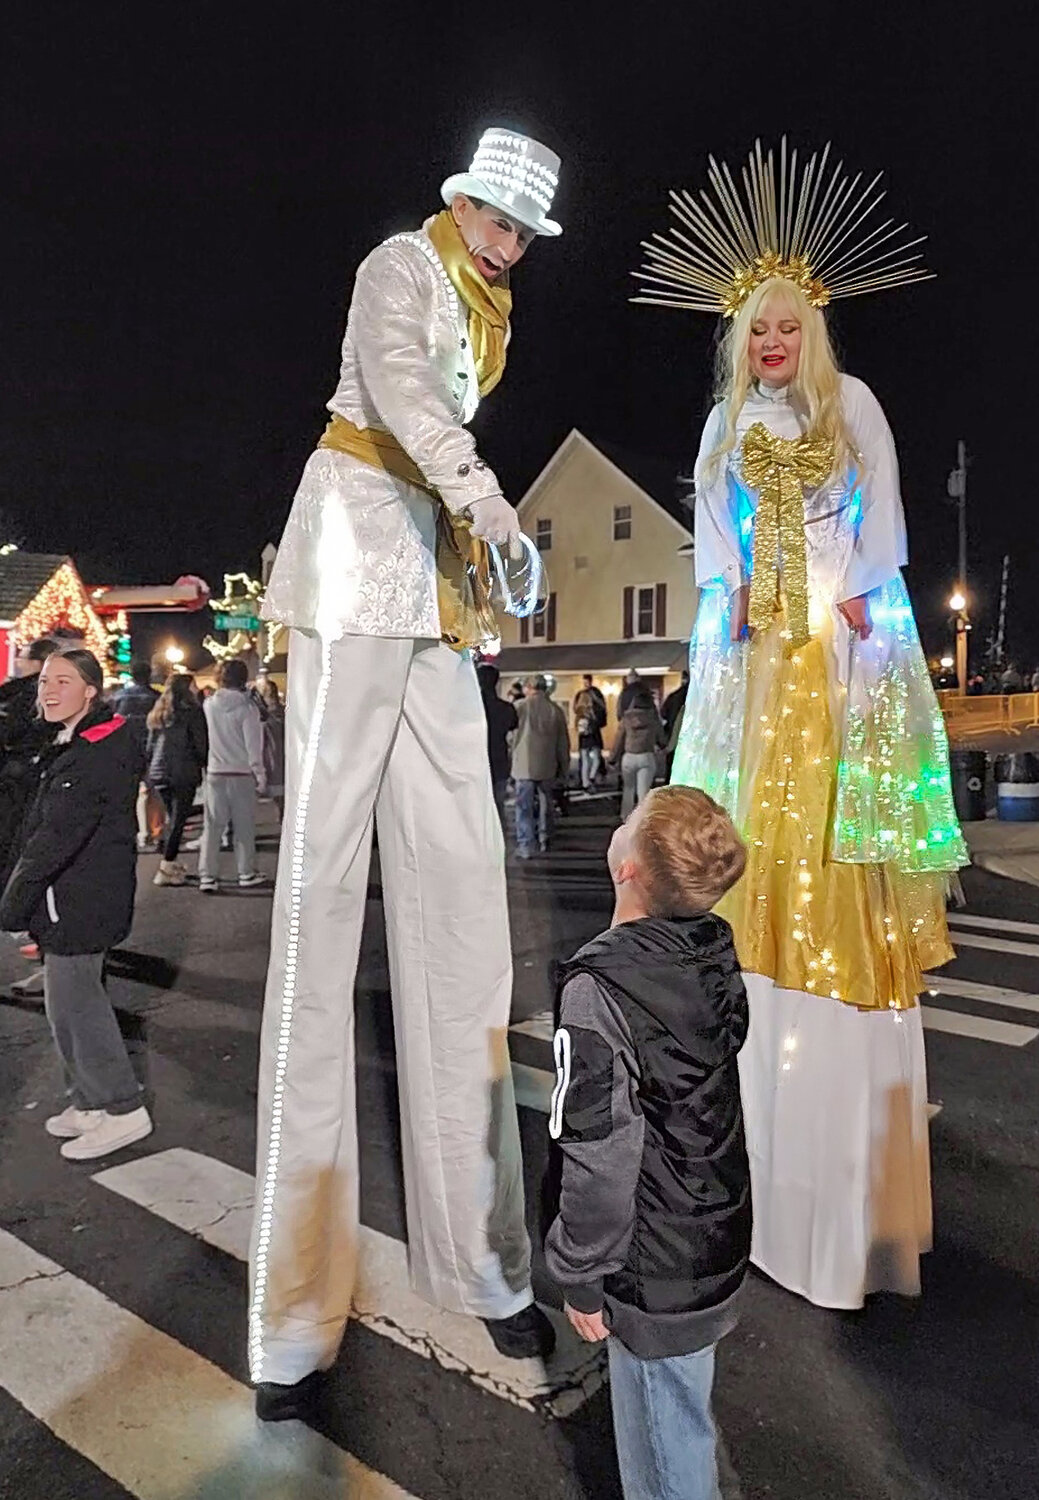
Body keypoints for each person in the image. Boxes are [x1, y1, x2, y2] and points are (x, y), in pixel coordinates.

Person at [252, 125, 563, 1416]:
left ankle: (484, 1259)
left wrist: (479, 542)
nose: (502, 240)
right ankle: (285, 1310)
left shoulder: (486, 310)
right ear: (461, 201)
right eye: (493, 216)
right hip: (348, 563)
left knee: (461, 901)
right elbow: (395, 391)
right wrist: (494, 510)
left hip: (433, 593)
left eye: (520, 232)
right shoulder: (398, 266)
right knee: (320, 909)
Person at [641, 140, 967, 1308]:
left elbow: (882, 542)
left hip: (837, 669)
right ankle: (759, 1187)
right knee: (751, 884)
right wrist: (730, 627)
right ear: (739, 342)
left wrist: (848, 614)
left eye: (786, 328)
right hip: (759, 678)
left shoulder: (856, 410)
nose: (772, 346)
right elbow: (715, 560)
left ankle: (840, 1203)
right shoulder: (726, 430)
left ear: (810, 330)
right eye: (755, 332)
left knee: (836, 876)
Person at [545, 785, 750, 1500]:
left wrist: (580, 1270)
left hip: (650, 1260)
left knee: (664, 1451)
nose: (620, 823)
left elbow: (597, 1152)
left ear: (628, 866)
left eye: (630, 820)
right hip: (711, 1228)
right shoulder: (709, 945)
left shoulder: (600, 988)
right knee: (683, 1413)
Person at [0, 649, 151, 1160]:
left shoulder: (93, 753)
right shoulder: (72, 742)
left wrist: (12, 906)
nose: (48, 689)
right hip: (67, 899)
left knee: (77, 1005)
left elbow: (52, 840)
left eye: (64, 681)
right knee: (65, 1006)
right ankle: (88, 1099)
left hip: (81, 901)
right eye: (44, 680)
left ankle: (122, 1107)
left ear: (92, 691)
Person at [199, 658, 266, 893]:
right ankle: (246, 872)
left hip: (216, 771)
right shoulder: (248, 709)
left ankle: (208, 875)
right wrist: (260, 774)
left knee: (213, 826)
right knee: (244, 827)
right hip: (241, 773)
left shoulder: (209, 705)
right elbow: (253, 746)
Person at [0, 638, 59, 889]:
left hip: (16, 773)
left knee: (10, 838)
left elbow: (14, 731)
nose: (17, 662)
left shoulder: (22, 695)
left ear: (37, 663)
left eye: (22, 657)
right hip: (35, 772)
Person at [146, 674, 208, 887]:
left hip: (159, 771)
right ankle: (167, 864)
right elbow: (200, 743)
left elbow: (150, 745)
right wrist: (204, 762)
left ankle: (170, 862)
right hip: (183, 771)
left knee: (174, 819)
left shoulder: (160, 713)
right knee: (178, 820)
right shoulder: (193, 713)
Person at [511, 675, 571, 857]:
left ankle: (526, 845)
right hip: (547, 764)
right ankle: (545, 837)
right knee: (547, 804)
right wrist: (564, 767)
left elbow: (510, 737)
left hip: (523, 764)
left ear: (529, 687)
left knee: (524, 807)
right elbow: (563, 743)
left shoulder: (519, 708)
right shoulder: (555, 710)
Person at [114, 661, 160, 852]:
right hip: (150, 749)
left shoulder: (119, 698)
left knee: (125, 792)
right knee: (149, 791)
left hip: (123, 749)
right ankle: (148, 832)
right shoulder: (156, 698)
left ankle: (129, 831)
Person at [609, 682, 666, 818]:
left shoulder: (626, 718)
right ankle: (641, 820)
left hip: (629, 757)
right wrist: (663, 745)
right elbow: (661, 737)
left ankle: (625, 818)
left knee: (628, 789)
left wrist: (612, 759)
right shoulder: (652, 718)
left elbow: (619, 739)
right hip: (646, 756)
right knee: (644, 792)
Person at [477, 661, 518, 827]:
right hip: (499, 761)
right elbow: (513, 724)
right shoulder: (506, 708)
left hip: (475, 763)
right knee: (497, 807)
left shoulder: (471, 708)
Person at [254, 674, 286, 821]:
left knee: (277, 788)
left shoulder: (264, 716)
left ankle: (283, 813)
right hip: (286, 753)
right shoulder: (284, 711)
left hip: (272, 754)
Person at [573, 674, 607, 791]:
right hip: (594, 731)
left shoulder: (580, 708)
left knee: (585, 758)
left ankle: (585, 782)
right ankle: (590, 779)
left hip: (584, 734)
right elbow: (602, 711)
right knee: (596, 757)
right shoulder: (596, 696)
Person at [660, 669, 689, 780]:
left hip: (674, 738)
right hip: (689, 742)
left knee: (671, 772)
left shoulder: (674, 696)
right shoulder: (697, 697)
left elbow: (664, 714)